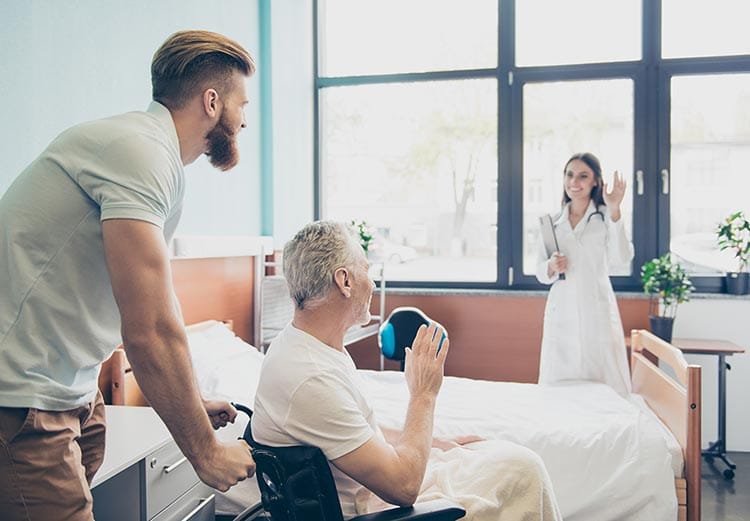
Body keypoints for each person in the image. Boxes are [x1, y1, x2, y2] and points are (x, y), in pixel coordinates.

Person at [0, 30, 257, 519]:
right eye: (242, 104)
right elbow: (152, 328)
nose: (245, 119)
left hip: (76, 389)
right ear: (211, 101)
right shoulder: (140, 152)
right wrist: (204, 451)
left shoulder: (148, 156)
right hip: (23, 394)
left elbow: (136, 301)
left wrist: (191, 401)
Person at [252, 220, 562, 521]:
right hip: (376, 507)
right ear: (344, 281)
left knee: (507, 458)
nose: (371, 283)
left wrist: (437, 441)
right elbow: (404, 487)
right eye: (365, 269)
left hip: (373, 490)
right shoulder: (310, 377)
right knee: (523, 471)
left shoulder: (309, 347)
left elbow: (355, 429)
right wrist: (423, 393)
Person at [535, 152, 634, 396]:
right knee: (559, 383)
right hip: (562, 309)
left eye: (582, 176)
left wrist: (615, 210)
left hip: (596, 308)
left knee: (604, 380)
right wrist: (550, 266)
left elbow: (623, 256)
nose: (574, 182)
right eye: (569, 175)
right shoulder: (552, 222)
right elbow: (539, 270)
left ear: (595, 182)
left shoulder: (605, 217)